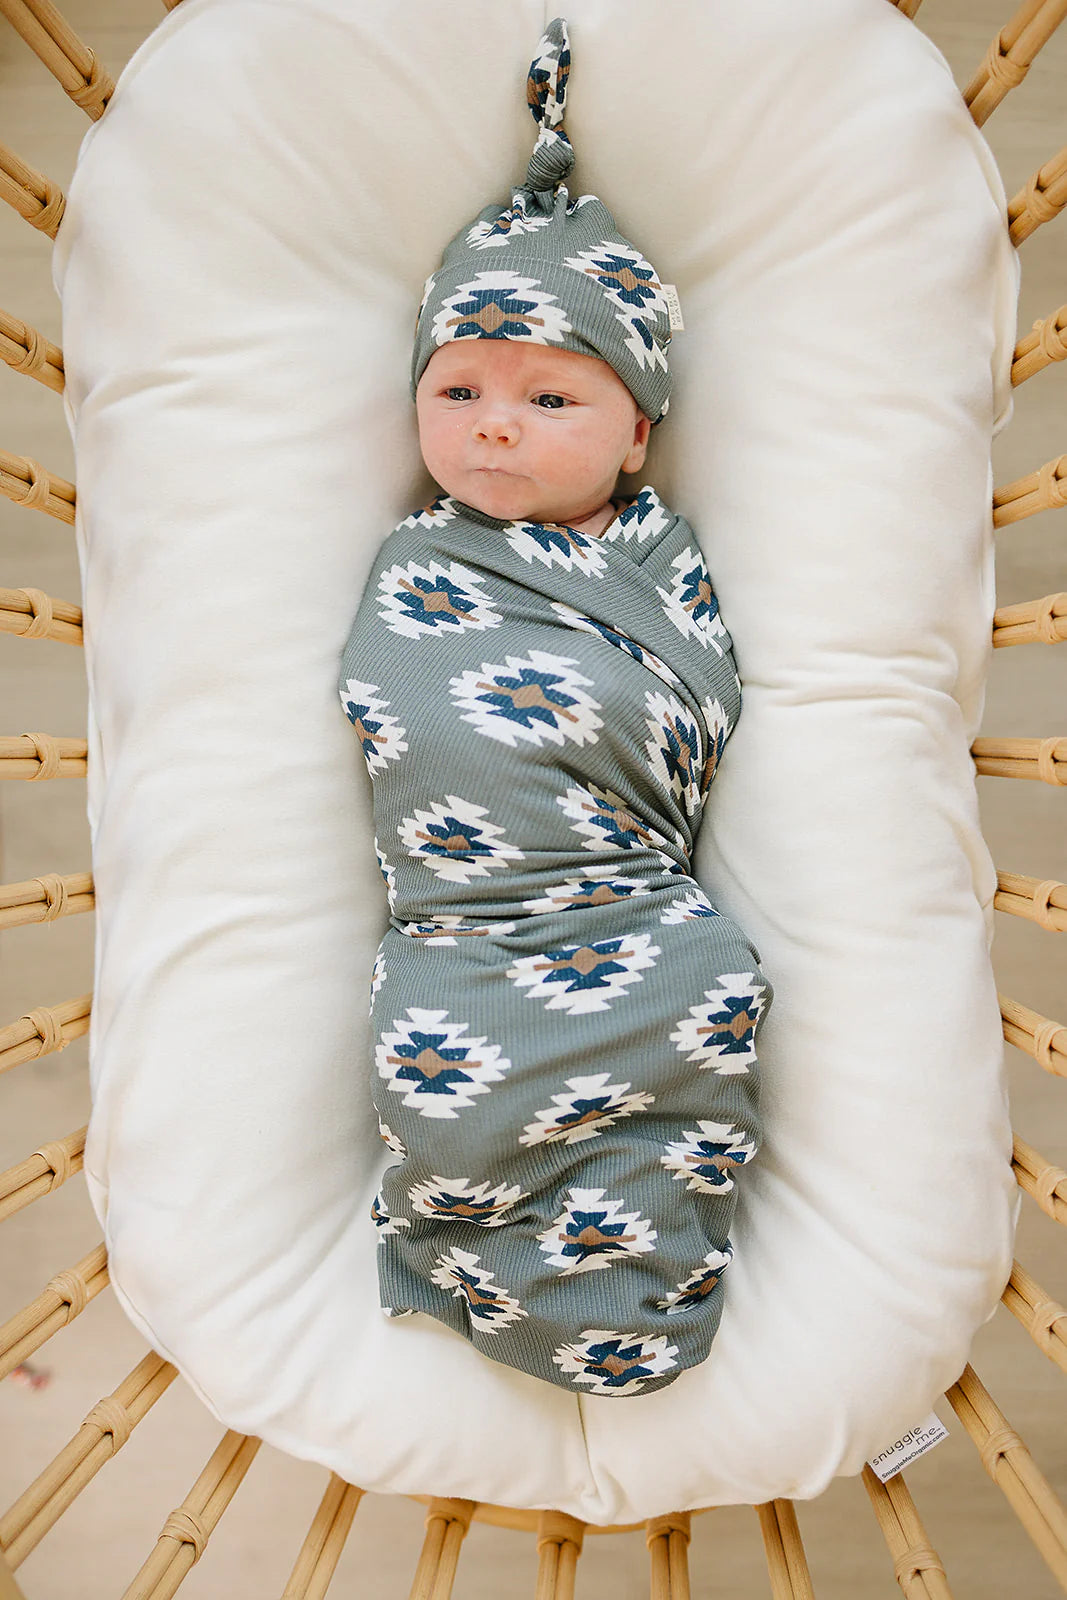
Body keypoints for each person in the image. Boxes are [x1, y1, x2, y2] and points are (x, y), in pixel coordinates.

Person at [337, 17, 771, 1397]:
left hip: (624, 911)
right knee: (446, 1093)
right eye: (457, 388)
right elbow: (394, 690)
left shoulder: (657, 563)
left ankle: (638, 1267)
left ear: (638, 431)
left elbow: (693, 700)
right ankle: (488, 1246)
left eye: (549, 396)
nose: (492, 422)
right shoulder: (424, 558)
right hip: (464, 929)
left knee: (710, 985)